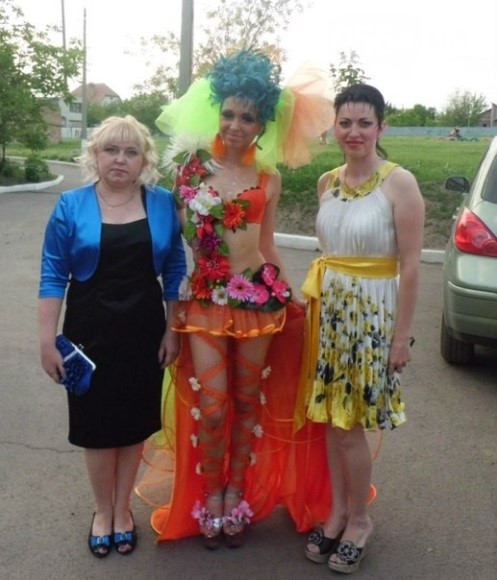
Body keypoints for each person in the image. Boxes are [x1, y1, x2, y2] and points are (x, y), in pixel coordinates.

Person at [135, 49, 335, 549]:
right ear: (216, 113)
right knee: (215, 406)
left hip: (257, 300)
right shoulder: (187, 171)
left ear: (262, 122)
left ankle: (235, 497)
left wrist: (288, 294)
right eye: (229, 113)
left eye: (248, 116)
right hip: (203, 300)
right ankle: (206, 496)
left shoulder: (270, 179)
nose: (237, 124)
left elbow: (266, 246)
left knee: (248, 404)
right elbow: (172, 244)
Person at [38, 115, 187, 558]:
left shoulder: (161, 203)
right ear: (95, 156)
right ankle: (103, 511)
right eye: (111, 150)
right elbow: (52, 275)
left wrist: (172, 329)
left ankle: (124, 510)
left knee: (133, 425)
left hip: (143, 331)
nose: (120, 159)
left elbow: (175, 270)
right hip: (89, 334)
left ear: (144, 160)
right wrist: (47, 340)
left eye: (130, 151)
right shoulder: (70, 205)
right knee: (98, 428)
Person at [296, 84, 425, 573]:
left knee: (349, 426)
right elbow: (328, 249)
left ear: (381, 128)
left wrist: (400, 338)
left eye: (364, 123)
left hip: (372, 319)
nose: (353, 132)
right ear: (335, 127)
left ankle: (360, 520)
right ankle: (338, 512)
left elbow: (411, 267)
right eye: (345, 123)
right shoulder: (327, 181)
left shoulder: (400, 183)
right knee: (331, 421)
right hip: (329, 316)